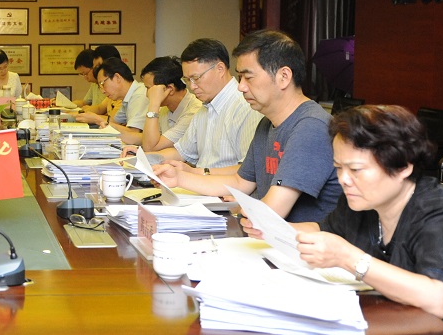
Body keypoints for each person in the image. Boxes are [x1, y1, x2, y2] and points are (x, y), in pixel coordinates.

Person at [248, 105, 443, 323]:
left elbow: (438, 300)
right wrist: (271, 227)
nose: (344, 179)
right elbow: (323, 230)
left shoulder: (440, 212)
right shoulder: (360, 201)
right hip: (390, 317)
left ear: (402, 167)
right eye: (339, 168)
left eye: (356, 169)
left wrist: (349, 258)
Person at [153, 31, 341, 222]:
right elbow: (240, 182)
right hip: (265, 232)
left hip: (292, 237)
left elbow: (272, 211)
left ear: (283, 76)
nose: (241, 87)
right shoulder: (266, 123)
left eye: (248, 78)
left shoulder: (311, 126)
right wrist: (179, 178)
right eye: (240, 77)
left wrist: (243, 205)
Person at [153, 38, 262, 169]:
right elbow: (181, 152)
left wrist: (195, 174)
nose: (192, 87)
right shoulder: (204, 108)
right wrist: (143, 158)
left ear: (220, 69)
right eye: (187, 80)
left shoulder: (245, 107)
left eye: (196, 78)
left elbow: (248, 171)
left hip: (219, 182)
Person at [137, 56, 203, 153]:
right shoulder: (165, 109)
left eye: (149, 89)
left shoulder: (194, 112)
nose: (147, 95)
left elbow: (150, 148)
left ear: (170, 89)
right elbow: (148, 141)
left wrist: (154, 104)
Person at [76, 57, 148, 145]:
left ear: (117, 77)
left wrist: (97, 120)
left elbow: (133, 133)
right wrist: (94, 118)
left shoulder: (139, 95)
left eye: (103, 84)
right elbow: (114, 121)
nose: (102, 91)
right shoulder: (127, 97)